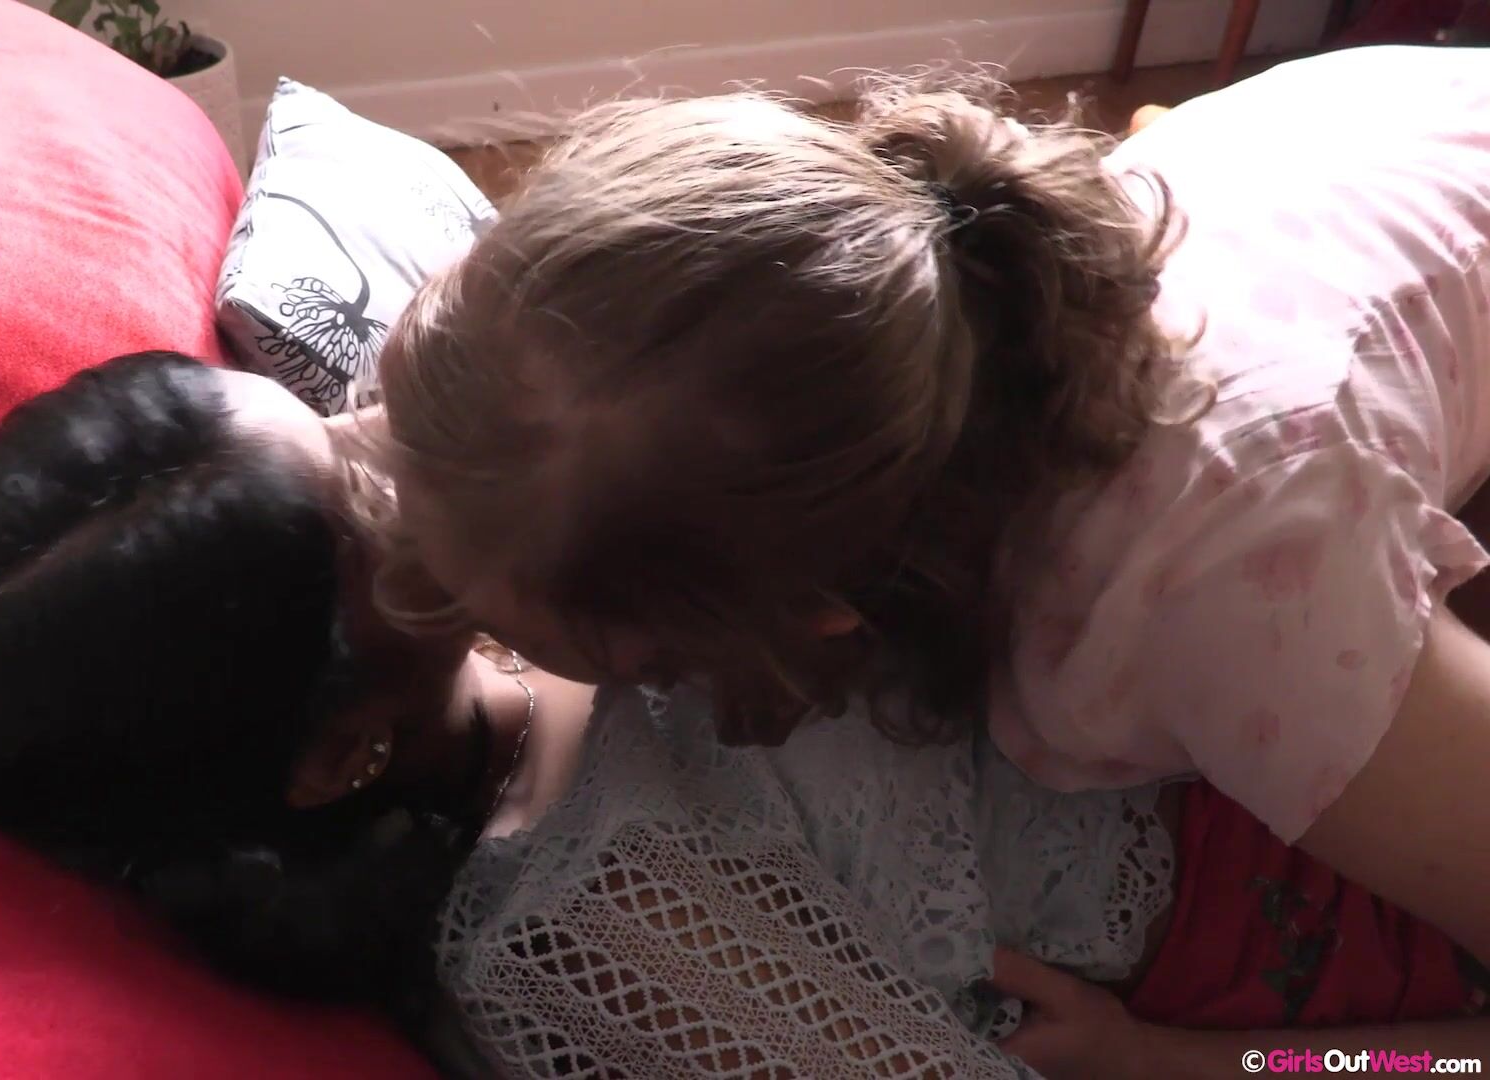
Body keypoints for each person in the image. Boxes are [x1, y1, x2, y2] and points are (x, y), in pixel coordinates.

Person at [0, 352, 1487, 1078]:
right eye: (371, 494)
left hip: (1273, 668)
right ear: (342, 749)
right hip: (1327, 960)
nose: (401, 424)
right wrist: (1170, 1068)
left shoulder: (518, 570)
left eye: (327, 413)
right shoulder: (597, 929)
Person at [364, 46, 1490, 972]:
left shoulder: (1228, 587)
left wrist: (1188, 1070)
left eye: (503, 627)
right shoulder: (886, 296)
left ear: (816, 615)